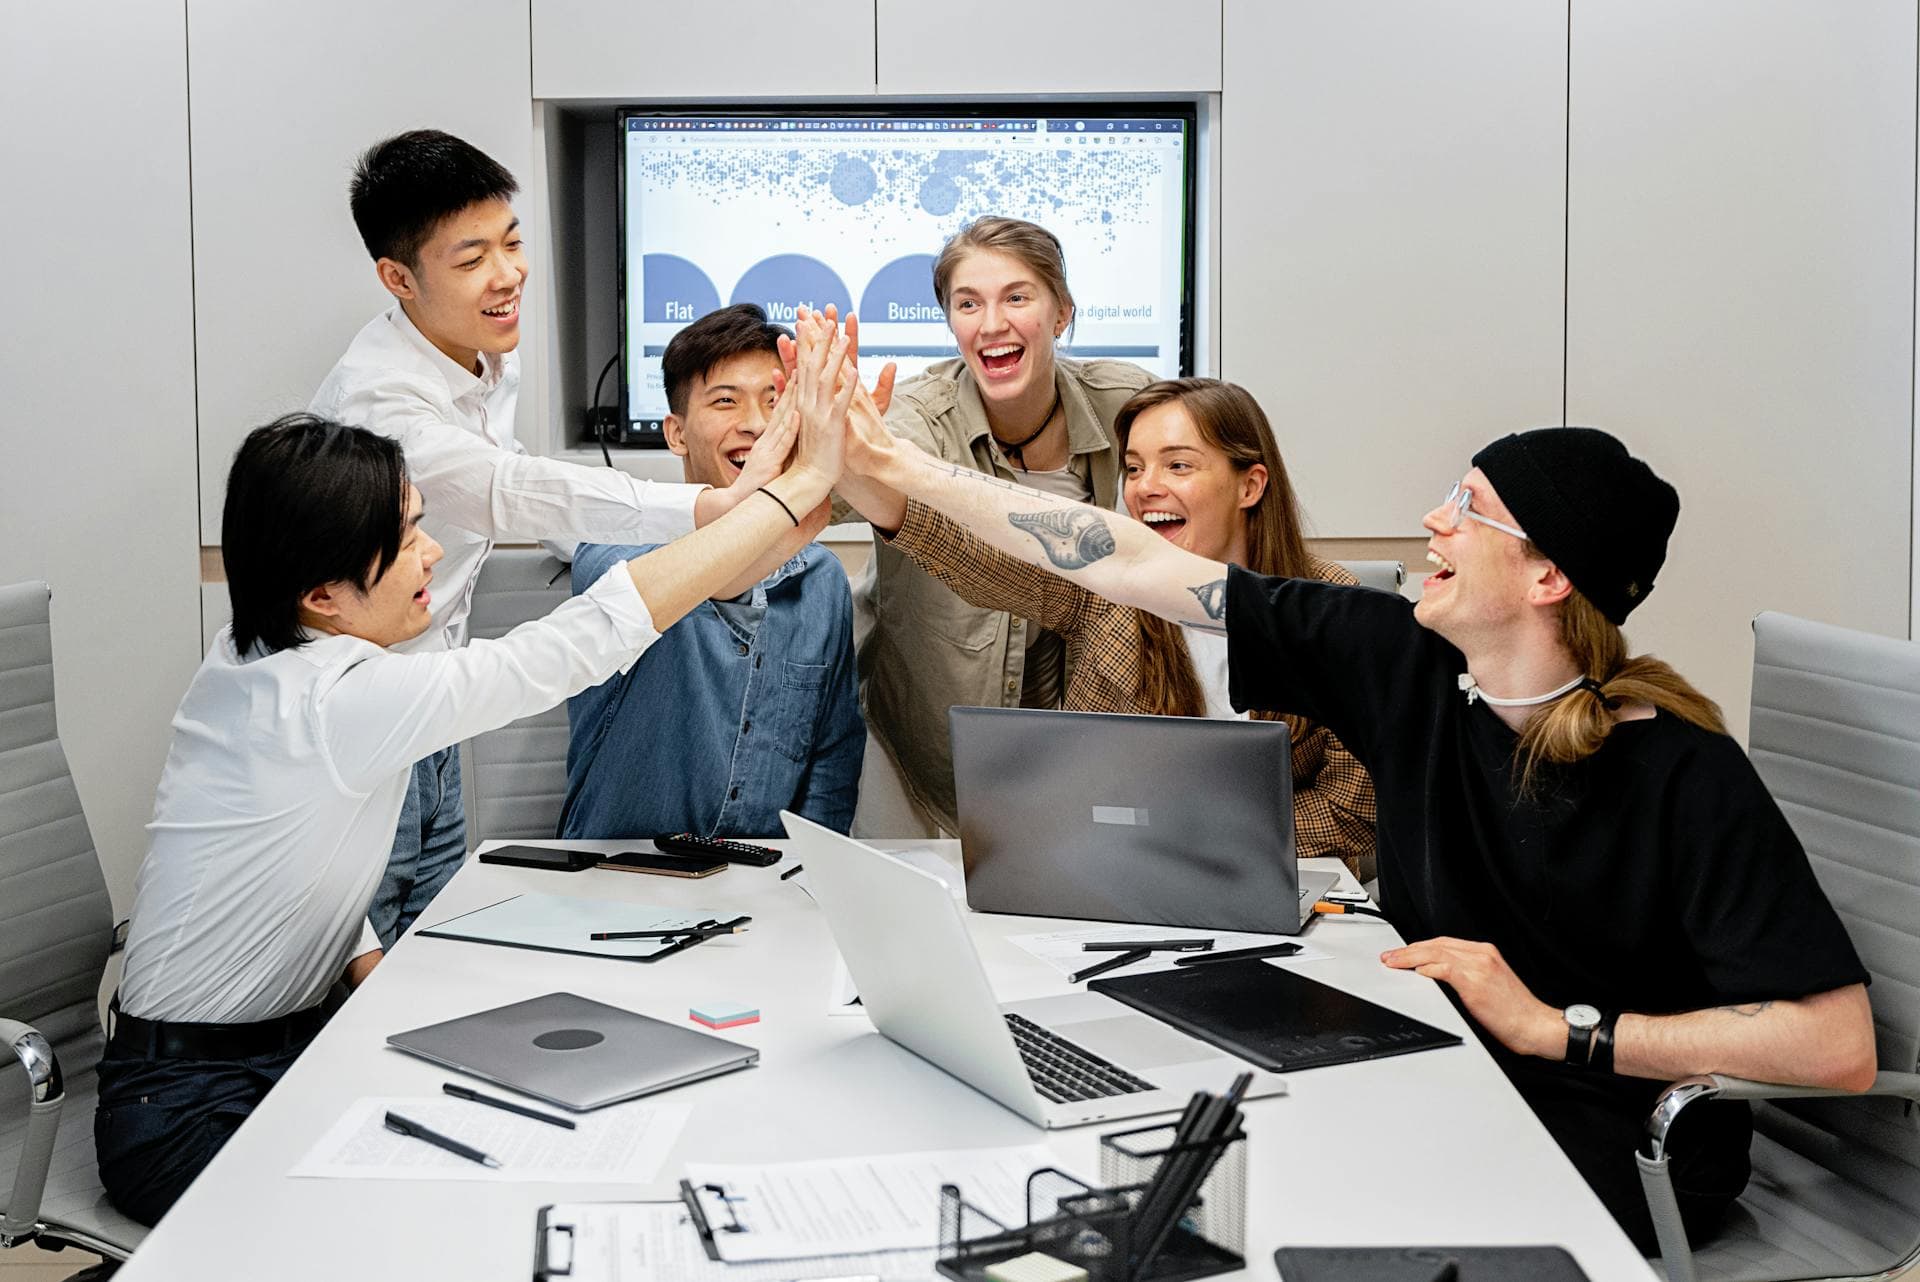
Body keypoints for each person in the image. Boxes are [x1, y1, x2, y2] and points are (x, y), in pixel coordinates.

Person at [838, 392, 1874, 1251]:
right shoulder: (1407, 661)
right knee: (1177, 1168)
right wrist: (897, 464)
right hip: (1436, 1064)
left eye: (1467, 509)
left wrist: (1555, 1028)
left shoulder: (1681, 771)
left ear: (1549, 578)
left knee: (1262, 1219)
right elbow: (1122, 560)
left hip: (1603, 1133)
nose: (1432, 523)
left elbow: (1837, 1044)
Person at [93, 324, 857, 1226]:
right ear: (321, 594)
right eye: (406, 538)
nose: (431, 557)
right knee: (482, 1199)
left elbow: (285, 859)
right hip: (185, 1109)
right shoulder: (335, 700)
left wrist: (758, 494)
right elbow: (569, 645)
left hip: (284, 1045)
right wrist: (795, 488)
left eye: (420, 525)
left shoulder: (256, 652)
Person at [309, 130, 799, 949]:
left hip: (433, 709)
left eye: (512, 243)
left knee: (425, 951)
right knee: (356, 965)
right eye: (471, 260)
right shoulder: (381, 402)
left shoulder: (480, 350)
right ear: (399, 278)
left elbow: (512, 475)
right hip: (363, 724)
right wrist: (707, 511)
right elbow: (507, 491)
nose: (507, 276)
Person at [842, 373, 1373, 873]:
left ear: (1250, 486)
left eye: (1179, 466)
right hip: (1113, 879)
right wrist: (847, 463)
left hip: (1270, 882)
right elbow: (972, 555)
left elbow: (1354, 809)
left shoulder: (1330, 605)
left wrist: (1195, 843)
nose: (1146, 488)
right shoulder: (1110, 590)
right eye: (1135, 467)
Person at [855, 216, 1153, 835]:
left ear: (1061, 312)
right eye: (968, 304)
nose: (992, 324)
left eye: (1017, 297)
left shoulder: (1130, 402)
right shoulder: (917, 417)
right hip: (927, 752)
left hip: (1087, 749)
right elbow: (824, 497)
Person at [558, 305, 863, 841]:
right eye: (726, 401)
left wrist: (809, 883)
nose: (757, 423)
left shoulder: (821, 579)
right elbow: (709, 584)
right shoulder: (612, 547)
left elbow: (831, 762)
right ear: (675, 434)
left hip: (766, 891)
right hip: (616, 879)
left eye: (776, 400)